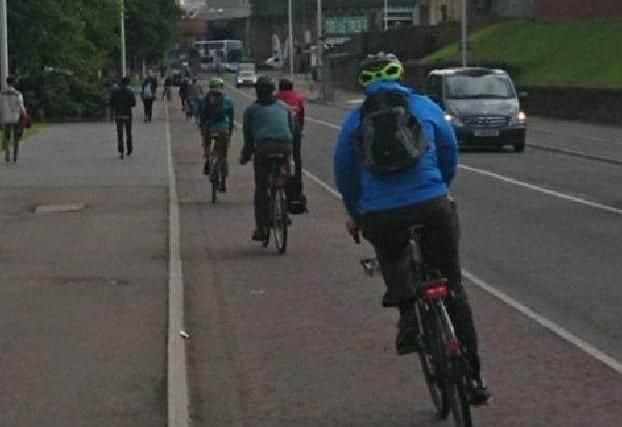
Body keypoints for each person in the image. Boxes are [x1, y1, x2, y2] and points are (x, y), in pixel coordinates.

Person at [333, 53, 490, 404]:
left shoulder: (354, 121)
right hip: (433, 204)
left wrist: (356, 213)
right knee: (453, 288)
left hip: (382, 213)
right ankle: (474, 378)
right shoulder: (425, 107)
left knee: (391, 253)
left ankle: (407, 313)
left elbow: (345, 174)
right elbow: (449, 150)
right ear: (401, 76)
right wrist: (441, 187)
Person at [240, 76, 295, 241]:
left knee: (261, 188)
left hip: (263, 149)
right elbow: (292, 131)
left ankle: (261, 228)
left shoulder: (251, 110)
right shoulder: (284, 107)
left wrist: (245, 156)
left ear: (257, 92)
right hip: (285, 147)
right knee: (285, 177)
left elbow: (248, 138)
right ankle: (285, 207)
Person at [276, 78, 307, 211]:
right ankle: (298, 180)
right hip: (294, 133)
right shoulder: (297, 97)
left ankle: (280, 175)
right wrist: (301, 129)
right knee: (296, 156)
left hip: (279, 135)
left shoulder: (275, 98)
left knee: (281, 156)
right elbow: (301, 115)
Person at [198, 77, 234, 191]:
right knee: (223, 156)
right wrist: (231, 129)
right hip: (223, 129)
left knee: (207, 144)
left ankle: (208, 159)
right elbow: (231, 117)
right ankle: (223, 183)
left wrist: (203, 129)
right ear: (221, 87)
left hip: (209, 128)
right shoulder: (228, 100)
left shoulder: (205, 99)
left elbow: (202, 115)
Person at [1, 76, 27, 163]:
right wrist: (25, 115)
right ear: (13, 83)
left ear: (7, 82)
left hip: (5, 118)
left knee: (6, 137)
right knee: (16, 138)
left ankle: (7, 155)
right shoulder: (18, 94)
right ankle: (15, 157)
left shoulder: (2, 93)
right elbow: (21, 106)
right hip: (16, 118)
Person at [110, 76, 136, 159]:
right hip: (127, 114)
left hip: (118, 114)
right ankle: (129, 150)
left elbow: (112, 103)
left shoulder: (115, 91)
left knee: (120, 134)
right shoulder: (130, 91)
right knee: (128, 133)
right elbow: (133, 104)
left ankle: (121, 151)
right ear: (127, 83)